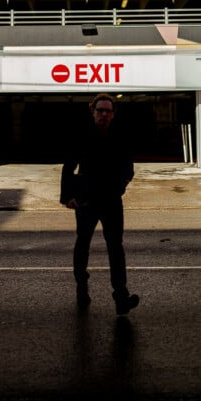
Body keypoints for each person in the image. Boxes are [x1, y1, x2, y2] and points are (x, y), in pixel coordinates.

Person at [60, 93, 139, 315]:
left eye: (107, 110)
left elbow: (128, 166)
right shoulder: (82, 134)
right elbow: (69, 166)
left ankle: (121, 296)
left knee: (116, 246)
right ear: (92, 112)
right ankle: (82, 285)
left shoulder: (120, 135)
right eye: (100, 110)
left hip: (112, 200)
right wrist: (68, 196)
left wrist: (122, 184)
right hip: (86, 199)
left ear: (113, 114)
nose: (103, 114)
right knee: (83, 243)